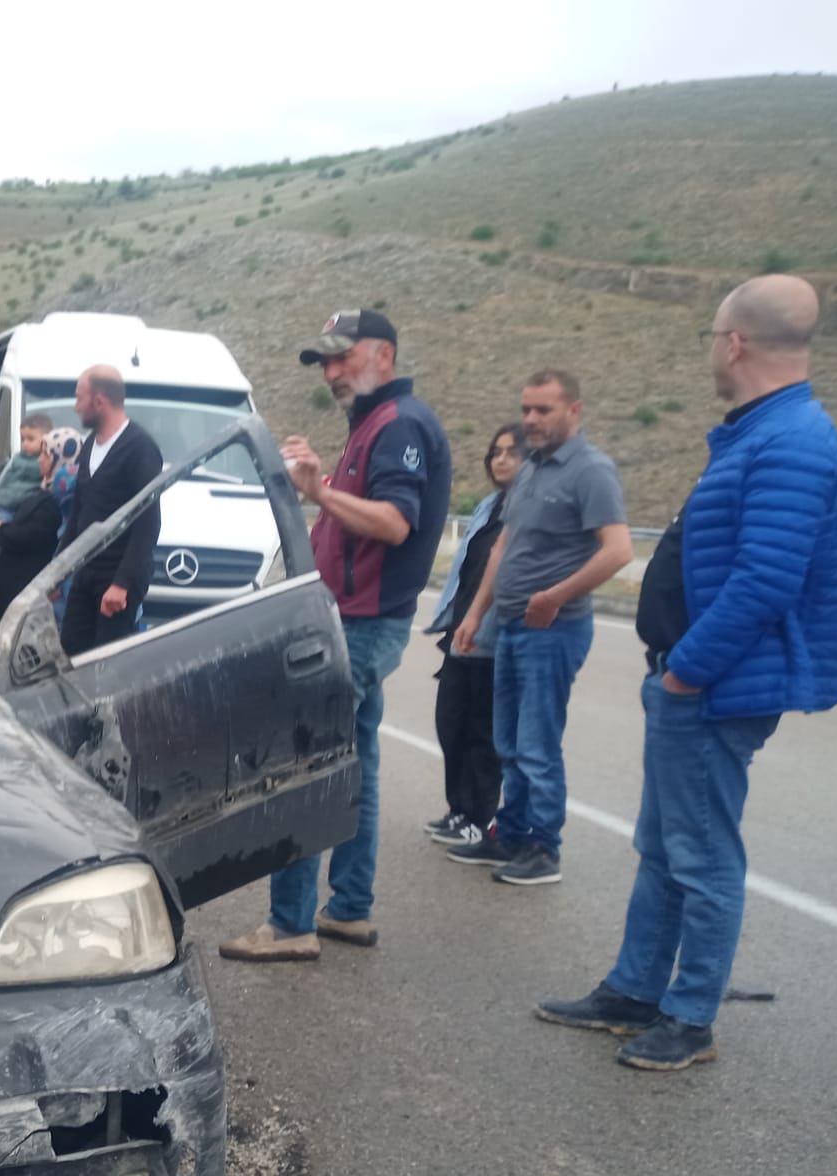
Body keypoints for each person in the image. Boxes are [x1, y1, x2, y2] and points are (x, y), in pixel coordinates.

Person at [537, 275, 837, 1071]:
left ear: (736, 342)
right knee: (665, 844)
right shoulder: (761, 433)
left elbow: (765, 582)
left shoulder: (792, 441)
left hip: (715, 686)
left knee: (703, 854)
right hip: (701, 680)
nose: (713, 351)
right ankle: (637, 989)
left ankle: (689, 1016)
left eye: (715, 337)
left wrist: (686, 671)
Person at [220, 308, 452, 962]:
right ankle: (348, 907)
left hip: (359, 624)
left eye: (341, 357)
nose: (331, 371)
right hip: (352, 617)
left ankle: (290, 923)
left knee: (307, 766)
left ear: (382, 352)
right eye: (324, 361)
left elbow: (393, 522)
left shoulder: (399, 425)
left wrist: (319, 490)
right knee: (357, 766)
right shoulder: (374, 425)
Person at [449, 371, 632, 886]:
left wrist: (555, 597)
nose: (531, 419)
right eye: (526, 409)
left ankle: (543, 846)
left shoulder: (592, 471)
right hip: (508, 626)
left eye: (543, 410)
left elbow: (618, 550)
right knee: (507, 739)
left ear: (574, 411)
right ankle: (510, 834)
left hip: (554, 631)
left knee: (536, 742)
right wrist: (474, 613)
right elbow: (504, 548)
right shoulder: (530, 471)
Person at [424, 423, 523, 850]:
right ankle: (458, 810)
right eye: (495, 451)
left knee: (483, 734)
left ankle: (478, 817)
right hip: (461, 632)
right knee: (451, 725)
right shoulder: (487, 506)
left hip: (494, 640)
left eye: (510, 452)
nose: (499, 459)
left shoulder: (528, 510)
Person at [57, 366, 164, 654]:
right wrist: (58, 571)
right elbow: (79, 513)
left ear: (99, 400)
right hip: (86, 572)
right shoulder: (90, 444)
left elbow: (148, 524)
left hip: (117, 579)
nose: (75, 406)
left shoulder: (140, 448)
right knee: (70, 655)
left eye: (80, 397)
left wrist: (122, 584)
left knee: (107, 664)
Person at [0, 426, 80, 666]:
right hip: (12, 585)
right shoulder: (42, 492)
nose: (40, 460)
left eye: (46, 455)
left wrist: (0, 531)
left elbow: (31, 535)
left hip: (25, 584)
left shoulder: (59, 501)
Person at [0, 414, 52, 603]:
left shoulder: (47, 461)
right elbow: (4, 479)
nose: (25, 444)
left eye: (31, 439)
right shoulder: (18, 459)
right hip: (7, 505)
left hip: (25, 510)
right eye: (23, 439)